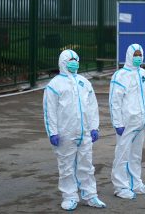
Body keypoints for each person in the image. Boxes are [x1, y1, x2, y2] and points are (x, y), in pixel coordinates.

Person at [43, 49, 107, 211]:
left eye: (76, 60)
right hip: (65, 133)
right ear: (63, 62)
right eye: (71, 61)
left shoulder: (84, 82)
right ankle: (69, 196)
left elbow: (92, 106)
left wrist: (94, 127)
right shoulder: (54, 85)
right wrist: (52, 132)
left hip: (84, 132)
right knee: (66, 166)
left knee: (87, 165)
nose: (74, 63)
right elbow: (49, 110)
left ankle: (90, 195)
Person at [109, 43, 145, 199]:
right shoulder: (120, 75)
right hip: (126, 122)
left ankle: (135, 184)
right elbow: (115, 101)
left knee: (136, 155)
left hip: (142, 122)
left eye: (140, 55)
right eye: (135, 55)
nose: (138, 58)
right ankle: (120, 187)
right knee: (122, 155)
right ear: (129, 56)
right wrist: (117, 123)